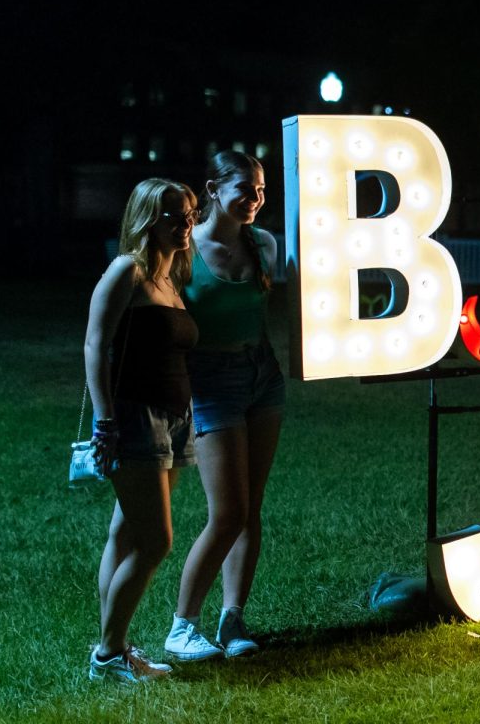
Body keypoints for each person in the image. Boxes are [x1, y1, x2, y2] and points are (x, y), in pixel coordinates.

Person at [167, 151, 284, 660]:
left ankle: (232, 620)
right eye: (244, 189)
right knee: (227, 512)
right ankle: (181, 626)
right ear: (213, 188)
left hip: (263, 374)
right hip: (210, 382)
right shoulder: (185, 251)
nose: (255, 200)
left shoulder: (264, 244)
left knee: (250, 509)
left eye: (260, 191)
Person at [85, 179, 200, 682]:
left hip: (175, 418)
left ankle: (115, 646)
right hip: (135, 418)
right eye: (175, 216)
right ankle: (109, 654)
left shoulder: (171, 279)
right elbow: (94, 346)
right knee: (156, 541)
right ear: (147, 219)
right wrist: (105, 418)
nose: (186, 223)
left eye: (191, 213)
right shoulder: (125, 271)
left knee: (126, 532)